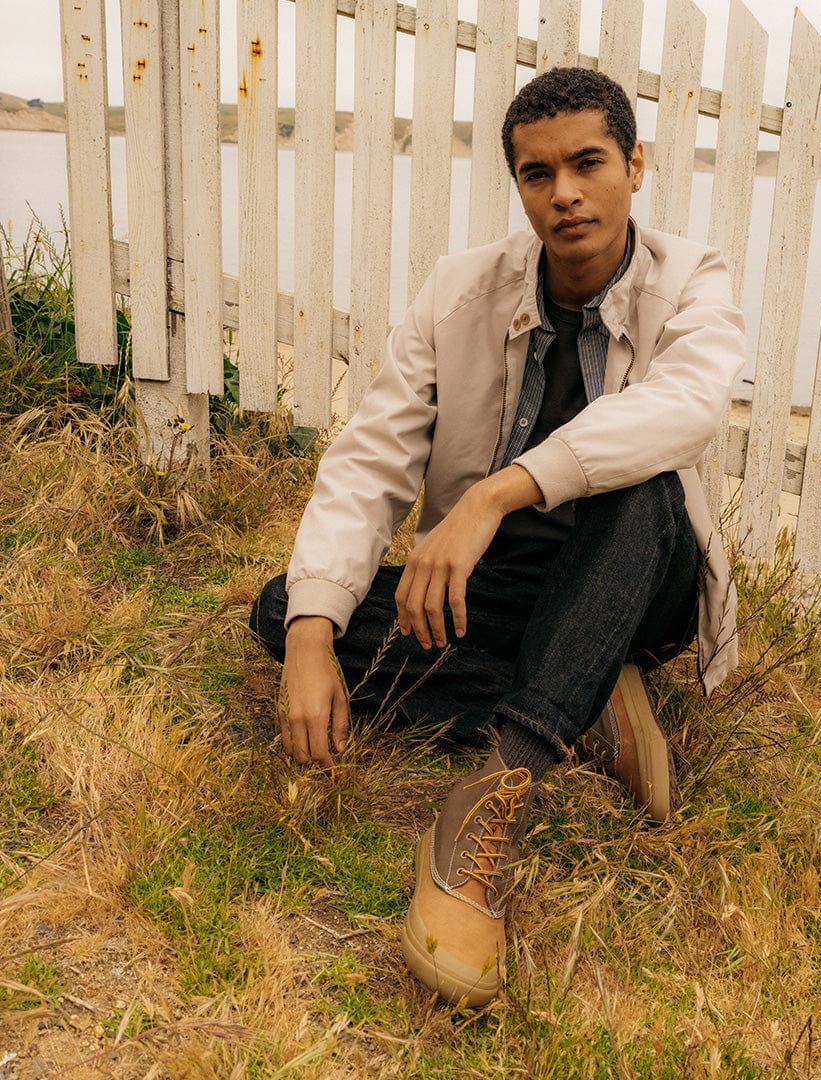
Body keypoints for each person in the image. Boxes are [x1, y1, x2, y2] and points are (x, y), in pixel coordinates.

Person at [250, 66, 746, 1007]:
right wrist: (315, 635)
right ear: (518, 184)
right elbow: (374, 459)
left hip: (639, 576)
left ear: (635, 166)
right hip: (504, 586)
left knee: (645, 495)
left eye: (588, 163)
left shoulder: (693, 279)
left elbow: (685, 410)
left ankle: (502, 781)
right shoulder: (461, 290)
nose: (564, 194)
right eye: (536, 173)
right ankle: (582, 696)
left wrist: (488, 500)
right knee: (287, 609)